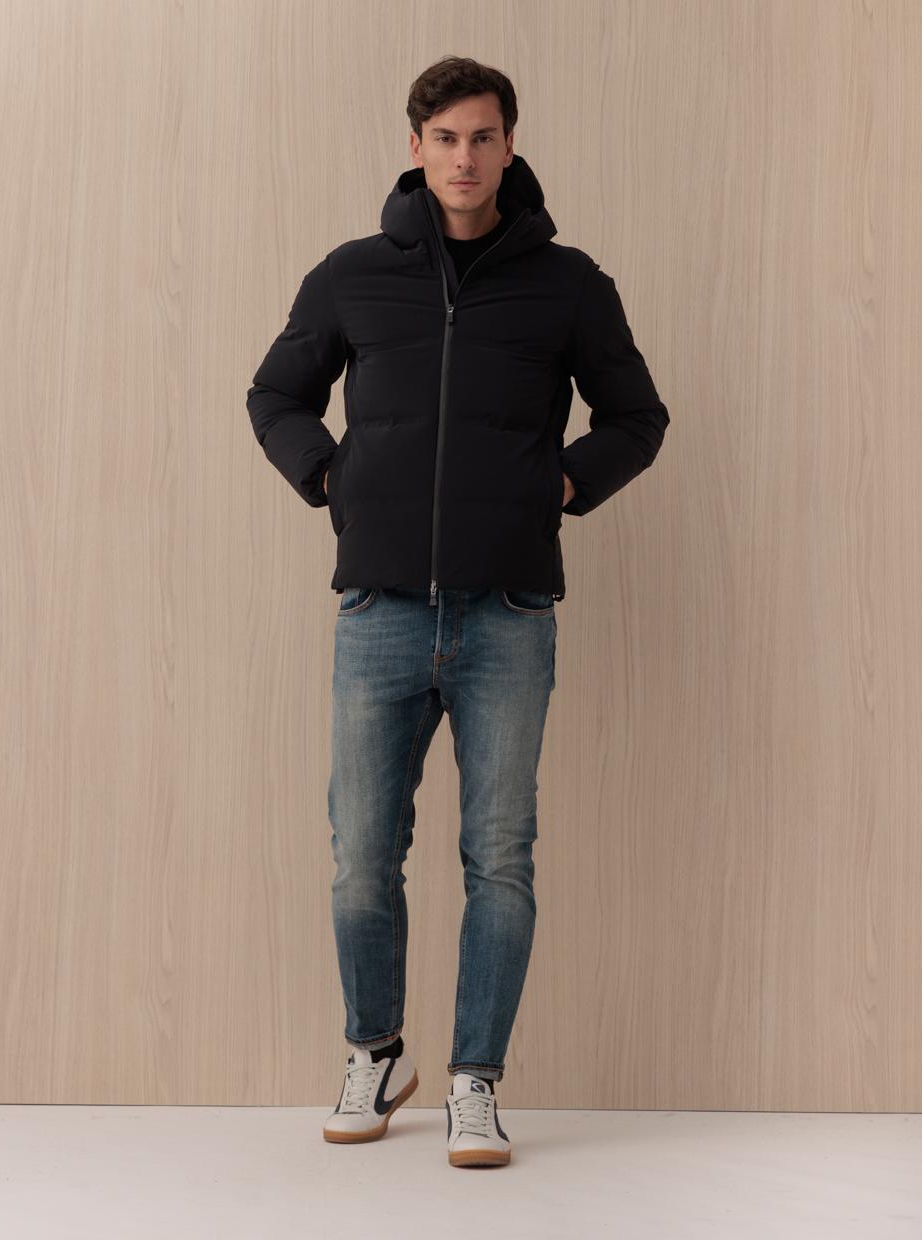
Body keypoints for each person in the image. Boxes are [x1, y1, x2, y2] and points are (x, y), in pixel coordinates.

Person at [246, 55, 670, 1168]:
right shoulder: (352, 275)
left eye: (483, 137)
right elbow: (276, 392)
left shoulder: (567, 284)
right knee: (360, 856)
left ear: (509, 146)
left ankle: (474, 1081)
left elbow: (636, 416)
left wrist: (560, 485)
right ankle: (375, 1053)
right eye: (445, 138)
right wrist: (328, 476)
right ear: (415, 147)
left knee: (499, 856)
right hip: (379, 610)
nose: (465, 157)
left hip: (508, 613)